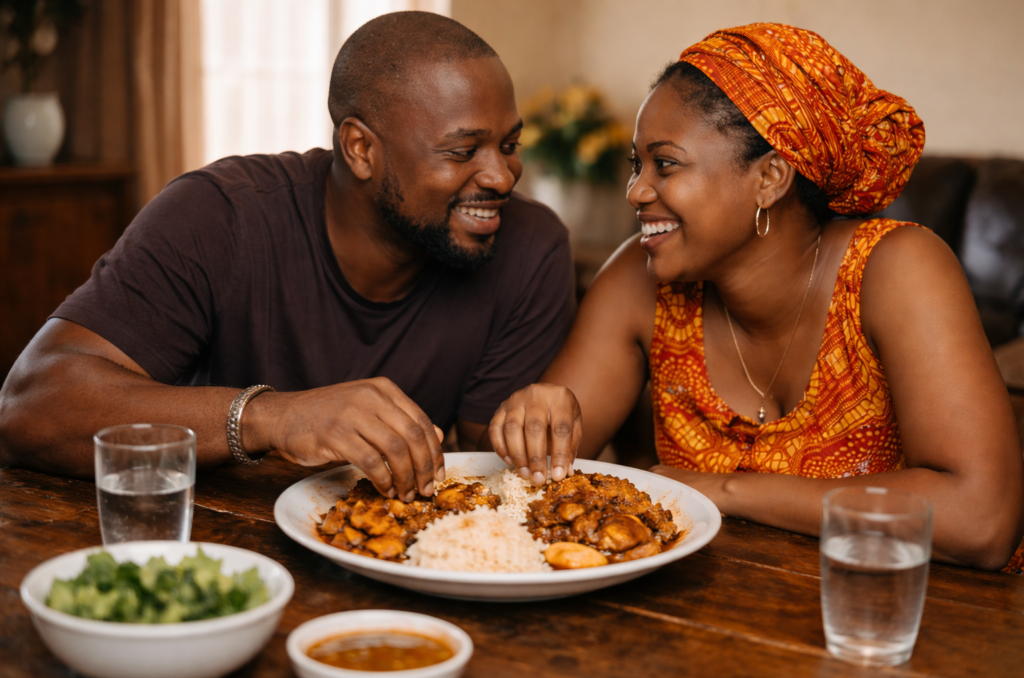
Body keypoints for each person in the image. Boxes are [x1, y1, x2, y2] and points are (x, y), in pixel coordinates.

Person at [489, 23, 1024, 572]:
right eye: (636, 164)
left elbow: (981, 521)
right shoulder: (641, 276)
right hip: (720, 618)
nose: (635, 191)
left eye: (665, 164)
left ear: (770, 177)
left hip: (901, 623)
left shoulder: (896, 269)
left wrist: (722, 491)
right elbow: (532, 481)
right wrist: (535, 419)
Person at [0, 11, 574, 504]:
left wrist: (532, 423)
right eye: (463, 150)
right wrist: (271, 417)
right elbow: (31, 407)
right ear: (360, 149)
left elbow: (492, 472)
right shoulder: (217, 215)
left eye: (509, 145)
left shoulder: (529, 245)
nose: (502, 175)